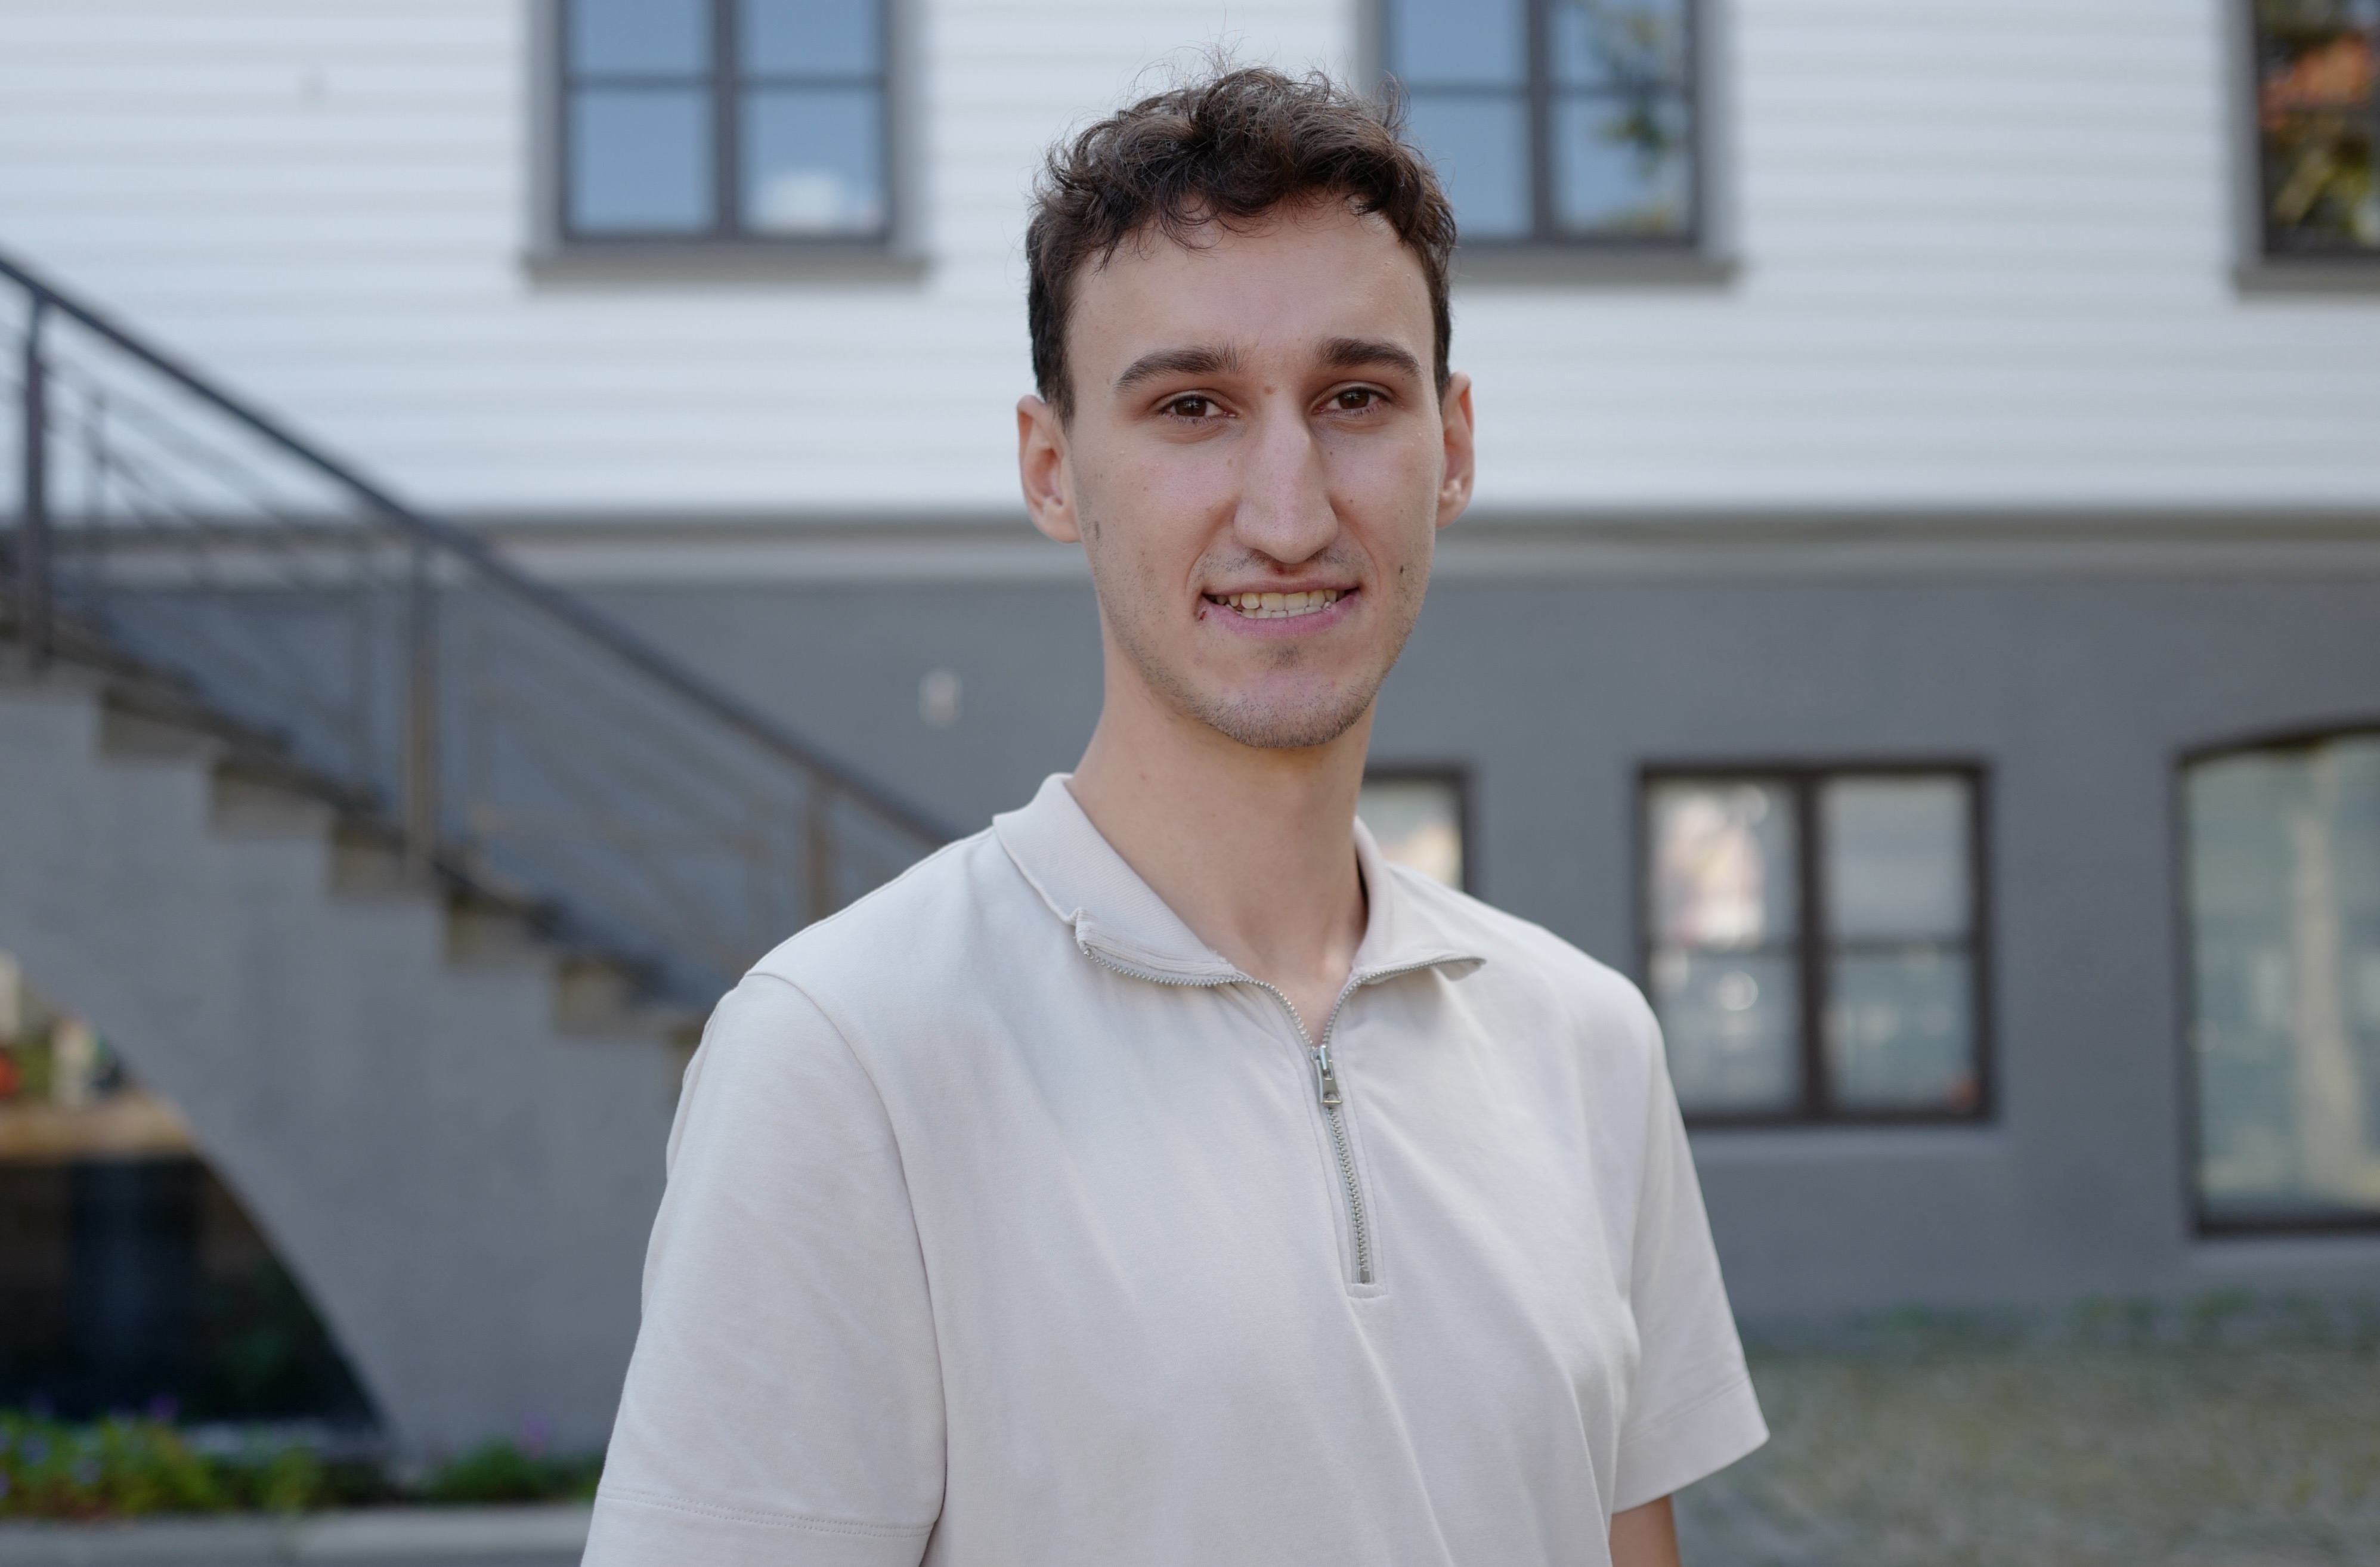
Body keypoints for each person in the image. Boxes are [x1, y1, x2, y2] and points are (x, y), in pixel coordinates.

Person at [583, 65, 1765, 1567]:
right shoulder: (844, 1053)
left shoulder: (1586, 1042)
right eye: (1191, 408)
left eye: (1355, 398)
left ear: (1453, 446)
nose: (1288, 510)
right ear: (1050, 469)